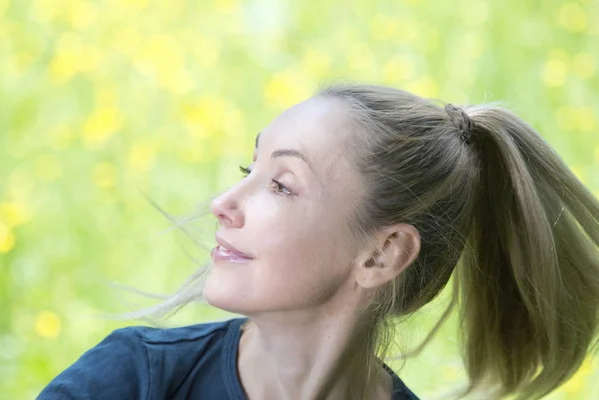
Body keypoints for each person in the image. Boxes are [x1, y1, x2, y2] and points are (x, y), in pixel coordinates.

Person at [38, 84, 599, 400]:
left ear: (382, 255)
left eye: (281, 185)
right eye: (248, 166)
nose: (223, 204)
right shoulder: (133, 380)